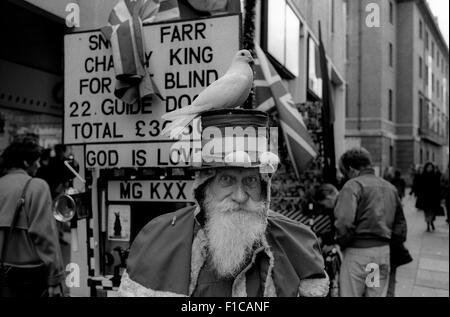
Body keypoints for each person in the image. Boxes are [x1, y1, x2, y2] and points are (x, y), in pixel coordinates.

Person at [118, 109, 329, 297]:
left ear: (264, 188)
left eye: (250, 180)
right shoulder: (158, 238)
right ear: (205, 187)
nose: (240, 196)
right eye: (226, 180)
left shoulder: (297, 242)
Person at [333, 147, 407, 297]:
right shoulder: (390, 187)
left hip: (358, 255)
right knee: (373, 293)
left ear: (351, 169)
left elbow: (344, 222)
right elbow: (400, 225)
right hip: (380, 254)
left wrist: (343, 242)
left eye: (345, 173)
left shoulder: (353, 185)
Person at [0, 137, 65, 297]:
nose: (38, 165)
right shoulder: (36, 186)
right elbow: (45, 236)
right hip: (29, 275)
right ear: (26, 162)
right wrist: (55, 279)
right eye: (36, 161)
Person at [418, 162, 441, 232]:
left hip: (433, 197)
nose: (429, 168)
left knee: (432, 211)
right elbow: (420, 186)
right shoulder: (423, 176)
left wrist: (439, 196)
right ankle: (428, 224)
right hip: (425, 197)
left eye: (431, 167)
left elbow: (438, 187)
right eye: (428, 167)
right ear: (426, 168)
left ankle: (432, 222)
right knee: (426, 211)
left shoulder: (435, 176)